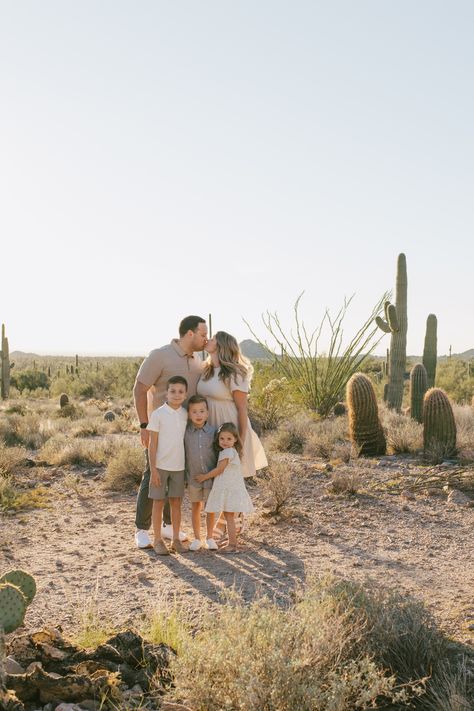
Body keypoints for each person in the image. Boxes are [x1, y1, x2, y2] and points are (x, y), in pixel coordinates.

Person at [133, 315, 208, 549]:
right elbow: (140, 388)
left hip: (184, 430)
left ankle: (167, 525)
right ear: (189, 334)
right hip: (159, 428)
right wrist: (144, 425)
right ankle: (141, 529)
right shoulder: (160, 355)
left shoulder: (197, 362)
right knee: (152, 475)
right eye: (203, 334)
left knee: (175, 476)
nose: (206, 339)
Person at [197, 331, 267, 539]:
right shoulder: (206, 369)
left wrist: (241, 441)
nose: (207, 340)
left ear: (221, 346)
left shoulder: (236, 373)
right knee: (218, 473)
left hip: (230, 425)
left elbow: (242, 408)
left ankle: (228, 520)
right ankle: (224, 519)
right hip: (211, 426)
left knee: (232, 475)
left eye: (212, 339)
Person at [196, 422, 254, 553]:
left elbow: (220, 469)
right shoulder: (232, 451)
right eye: (222, 438)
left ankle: (232, 544)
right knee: (229, 517)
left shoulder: (227, 452)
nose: (225, 441)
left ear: (235, 439)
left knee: (229, 517)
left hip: (229, 489)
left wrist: (204, 477)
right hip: (231, 488)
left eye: (229, 439)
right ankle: (231, 542)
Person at [148, 376, 189, 555]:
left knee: (176, 503)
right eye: (173, 391)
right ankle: (157, 539)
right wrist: (153, 468)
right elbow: (152, 444)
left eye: (181, 392)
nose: (176, 395)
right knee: (158, 502)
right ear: (167, 393)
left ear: (186, 394)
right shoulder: (158, 414)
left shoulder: (185, 414)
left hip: (179, 466)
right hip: (161, 466)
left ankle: (176, 540)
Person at [184, 395, 218, 552]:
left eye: (201, 411)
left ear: (207, 413)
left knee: (210, 507)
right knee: (195, 506)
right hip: (193, 477)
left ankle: (210, 537)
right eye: (194, 412)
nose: (198, 415)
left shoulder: (213, 432)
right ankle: (197, 538)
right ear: (189, 414)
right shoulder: (186, 432)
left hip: (210, 477)